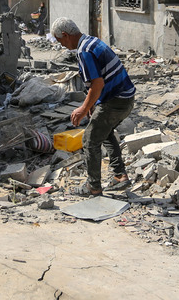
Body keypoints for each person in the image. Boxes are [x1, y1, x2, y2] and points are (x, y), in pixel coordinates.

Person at [51, 17, 135, 196]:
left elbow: (97, 84)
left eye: (60, 41)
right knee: (104, 133)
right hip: (126, 98)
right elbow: (101, 82)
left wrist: (82, 109)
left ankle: (93, 186)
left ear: (65, 35)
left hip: (116, 101)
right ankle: (120, 176)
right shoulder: (92, 41)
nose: (62, 46)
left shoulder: (84, 51)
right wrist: (94, 104)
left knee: (89, 140)